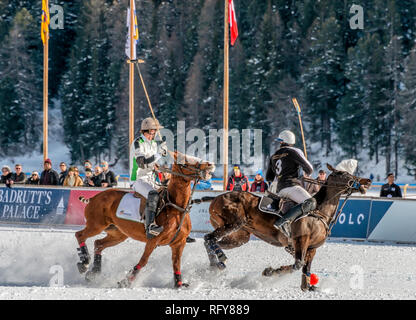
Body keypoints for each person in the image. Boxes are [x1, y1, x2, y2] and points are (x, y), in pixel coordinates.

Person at [265, 130, 316, 234]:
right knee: (311, 202)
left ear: (282, 141)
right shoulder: (293, 151)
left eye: (280, 141)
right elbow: (310, 169)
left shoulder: (274, 155)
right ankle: (284, 222)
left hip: (279, 190)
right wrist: (305, 172)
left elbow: (269, 177)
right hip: (291, 187)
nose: (279, 143)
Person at [130, 117, 168, 239]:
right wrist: (158, 154)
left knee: (167, 193)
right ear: (147, 131)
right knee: (153, 194)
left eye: (156, 131)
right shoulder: (138, 143)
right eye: (154, 130)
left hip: (151, 179)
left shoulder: (153, 143)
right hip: (138, 179)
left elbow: (153, 164)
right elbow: (142, 162)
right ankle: (150, 225)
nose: (155, 133)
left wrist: (164, 151)